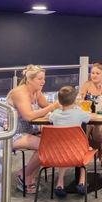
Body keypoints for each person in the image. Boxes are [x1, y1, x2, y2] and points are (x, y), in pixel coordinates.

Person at [9, 65, 62, 194]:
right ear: (29, 79)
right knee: (46, 146)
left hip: (29, 131)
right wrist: (52, 107)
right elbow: (28, 116)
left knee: (51, 143)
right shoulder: (20, 93)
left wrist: (66, 106)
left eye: (44, 79)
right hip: (12, 133)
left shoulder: (36, 91)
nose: (43, 82)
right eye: (40, 79)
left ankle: (29, 176)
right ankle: (24, 175)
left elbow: (47, 106)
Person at [46, 86, 95, 196]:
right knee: (87, 149)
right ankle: (82, 182)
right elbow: (89, 118)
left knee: (65, 151)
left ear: (59, 101)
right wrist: (78, 108)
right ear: (74, 100)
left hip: (57, 153)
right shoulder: (79, 113)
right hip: (77, 152)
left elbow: (49, 117)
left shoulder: (55, 114)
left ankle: (60, 183)